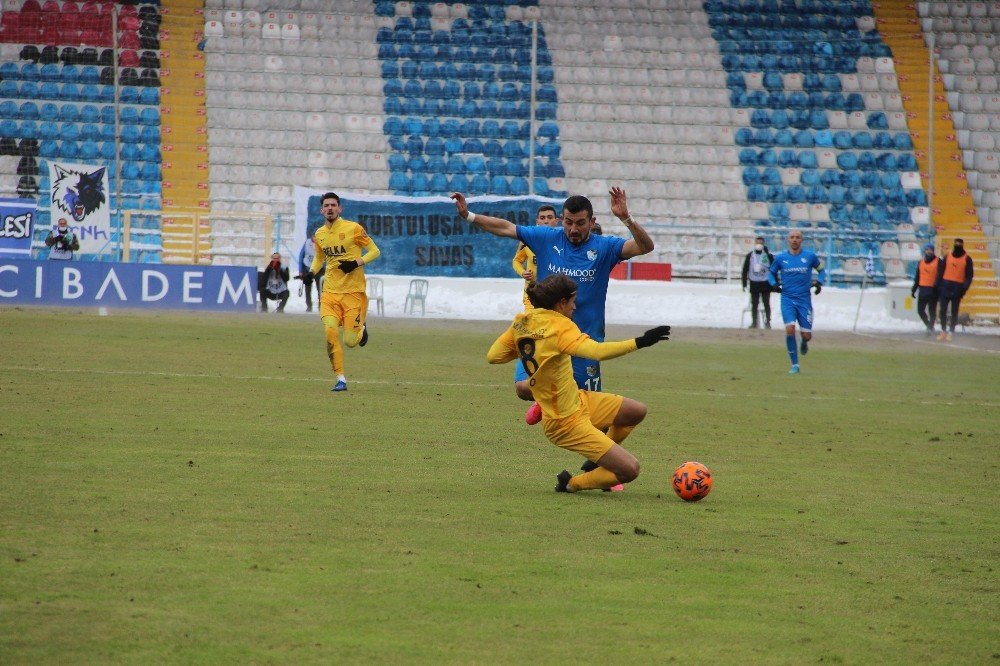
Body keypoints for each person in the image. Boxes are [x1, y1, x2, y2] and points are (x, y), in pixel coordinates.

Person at [452, 187, 655, 409]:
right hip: (545, 334)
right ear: (561, 220)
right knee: (522, 387)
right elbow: (506, 228)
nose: (573, 228)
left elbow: (645, 246)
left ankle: (565, 401)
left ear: (592, 221)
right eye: (568, 222)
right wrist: (468, 215)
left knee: (591, 413)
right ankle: (554, 393)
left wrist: (626, 218)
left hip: (584, 340)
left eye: (580, 223)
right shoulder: (546, 238)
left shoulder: (605, 247)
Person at [486, 274, 671, 493]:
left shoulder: (522, 322)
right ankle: (571, 484)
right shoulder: (562, 327)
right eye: (573, 301)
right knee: (630, 470)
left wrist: (532, 351)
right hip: (564, 422)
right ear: (561, 303)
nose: (575, 307)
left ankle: (598, 461)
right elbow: (597, 351)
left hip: (578, 400)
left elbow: (494, 356)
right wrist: (640, 342)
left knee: (636, 411)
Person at [310, 191, 381, 392]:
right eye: (327, 205)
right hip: (330, 293)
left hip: (353, 293)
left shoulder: (354, 229)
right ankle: (340, 378)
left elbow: (375, 251)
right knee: (330, 331)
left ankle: (362, 329)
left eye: (333, 205)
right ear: (321, 210)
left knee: (350, 341)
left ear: (340, 208)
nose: (330, 208)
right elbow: (319, 258)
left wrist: (356, 263)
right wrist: (310, 272)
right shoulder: (319, 234)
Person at [767, 229, 826, 374]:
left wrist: (819, 283)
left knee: (806, 335)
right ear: (788, 240)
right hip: (787, 299)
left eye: (797, 237)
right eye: (792, 237)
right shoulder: (781, 258)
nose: (794, 240)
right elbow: (771, 273)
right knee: (790, 329)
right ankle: (795, 365)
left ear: (802, 240)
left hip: (804, 300)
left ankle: (804, 342)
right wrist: (773, 284)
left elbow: (822, 270)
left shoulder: (810, 256)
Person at [511, 205, 559, 309]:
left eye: (550, 217)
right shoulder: (527, 239)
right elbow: (516, 261)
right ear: (537, 221)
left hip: (555, 296)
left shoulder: (563, 241)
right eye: (542, 218)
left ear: (556, 221)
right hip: (532, 296)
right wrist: (523, 272)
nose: (546, 221)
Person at [935, 238, 974, 341]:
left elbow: (969, 276)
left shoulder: (967, 259)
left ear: (962, 245)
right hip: (945, 286)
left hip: (958, 287)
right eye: (956, 243)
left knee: (954, 312)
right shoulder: (947, 257)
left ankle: (951, 332)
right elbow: (940, 272)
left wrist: (964, 288)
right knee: (942, 310)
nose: (957, 245)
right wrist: (937, 285)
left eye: (959, 243)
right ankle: (943, 331)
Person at [740, 235, 775, 329]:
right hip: (754, 282)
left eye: (761, 243)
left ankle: (768, 322)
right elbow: (745, 269)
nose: (759, 245)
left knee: (766, 303)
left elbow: (774, 269)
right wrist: (744, 283)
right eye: (758, 243)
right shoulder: (750, 255)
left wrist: (774, 283)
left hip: (765, 283)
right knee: (754, 303)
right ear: (755, 244)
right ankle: (754, 322)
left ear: (764, 244)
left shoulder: (768, 255)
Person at [910, 243, 941, 336]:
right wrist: (914, 289)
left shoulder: (938, 261)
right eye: (927, 249)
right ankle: (928, 325)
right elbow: (917, 277)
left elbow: (941, 276)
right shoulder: (921, 262)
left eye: (930, 249)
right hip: (922, 289)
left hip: (933, 289)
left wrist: (939, 288)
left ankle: (930, 327)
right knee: (920, 311)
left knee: (932, 311)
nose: (929, 251)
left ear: (933, 251)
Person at [297, 234, 322, 313]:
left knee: (320, 289)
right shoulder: (307, 243)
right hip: (308, 268)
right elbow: (301, 256)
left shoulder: (322, 243)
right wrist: (301, 270)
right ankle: (309, 306)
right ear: (312, 237)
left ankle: (321, 306)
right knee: (307, 289)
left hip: (319, 269)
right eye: (314, 237)